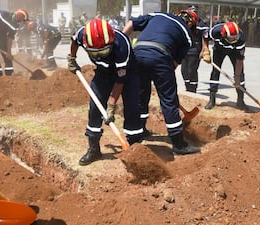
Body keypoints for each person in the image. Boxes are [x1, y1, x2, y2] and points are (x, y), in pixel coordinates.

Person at [122, 10, 200, 155]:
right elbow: (174, 64)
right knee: (168, 100)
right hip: (161, 57)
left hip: (137, 53)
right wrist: (162, 80)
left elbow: (131, 23)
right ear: (190, 23)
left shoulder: (157, 15)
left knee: (141, 96)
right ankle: (178, 144)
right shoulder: (187, 34)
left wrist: (120, 43)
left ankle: (140, 131)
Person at [68, 18, 144, 165]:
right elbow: (74, 42)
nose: (99, 56)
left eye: (103, 52)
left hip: (128, 73)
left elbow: (120, 79)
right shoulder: (82, 35)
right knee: (95, 107)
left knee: (132, 106)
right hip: (103, 72)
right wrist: (72, 58)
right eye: (95, 54)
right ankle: (94, 149)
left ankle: (135, 148)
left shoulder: (122, 44)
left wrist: (111, 104)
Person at [204, 21, 248, 111]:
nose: (234, 39)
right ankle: (212, 99)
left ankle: (240, 101)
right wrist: (205, 50)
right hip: (219, 50)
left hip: (234, 52)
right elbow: (205, 37)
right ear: (223, 34)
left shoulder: (241, 39)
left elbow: (240, 60)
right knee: (215, 72)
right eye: (231, 38)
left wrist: (237, 76)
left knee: (240, 75)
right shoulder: (215, 31)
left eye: (236, 37)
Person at [0, 8, 29, 77]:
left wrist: (9, 52)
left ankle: (9, 74)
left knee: (7, 57)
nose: (21, 21)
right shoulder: (1, 13)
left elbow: (10, 38)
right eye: (22, 19)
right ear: (19, 15)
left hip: (3, 38)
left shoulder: (15, 25)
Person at [180, 5, 211, 93]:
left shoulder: (201, 24)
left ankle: (193, 89)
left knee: (192, 70)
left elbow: (205, 38)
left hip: (195, 51)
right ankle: (187, 87)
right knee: (184, 71)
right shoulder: (184, 22)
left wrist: (204, 50)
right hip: (184, 50)